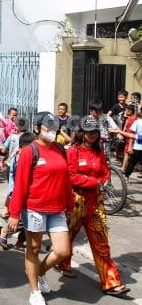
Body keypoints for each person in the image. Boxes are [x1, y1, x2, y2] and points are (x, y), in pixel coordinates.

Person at [54, 115, 130, 296]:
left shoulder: (99, 152)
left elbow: (105, 173)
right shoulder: (73, 151)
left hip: (96, 203)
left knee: (102, 243)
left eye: (95, 131)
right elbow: (70, 176)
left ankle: (111, 282)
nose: (93, 135)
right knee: (69, 236)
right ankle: (63, 263)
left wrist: (99, 183)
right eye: (89, 132)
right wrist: (91, 182)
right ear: (82, 133)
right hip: (75, 202)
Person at [7, 112, 73, 305]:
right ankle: (34, 291)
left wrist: (69, 205)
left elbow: (66, 180)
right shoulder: (30, 151)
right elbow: (20, 184)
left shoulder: (60, 149)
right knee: (34, 248)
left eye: (54, 128)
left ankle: (39, 273)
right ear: (37, 128)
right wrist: (14, 213)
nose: (51, 132)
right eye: (47, 128)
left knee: (62, 251)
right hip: (34, 207)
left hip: (57, 208)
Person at [0, 131, 35, 251]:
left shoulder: (29, 156)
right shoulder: (19, 157)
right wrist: (12, 193)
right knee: (25, 219)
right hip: (19, 192)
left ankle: (19, 242)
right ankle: (6, 231)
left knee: (30, 221)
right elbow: (15, 177)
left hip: (31, 193)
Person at [0, 117, 29, 218]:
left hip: (12, 165)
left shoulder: (12, 137)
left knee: (12, 189)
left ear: (16, 127)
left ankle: (6, 209)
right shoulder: (31, 139)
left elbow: (3, 151)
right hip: (25, 166)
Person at [120, 104, 136, 174]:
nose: (125, 111)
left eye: (126, 110)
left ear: (130, 111)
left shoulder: (134, 119)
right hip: (127, 137)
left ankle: (123, 168)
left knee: (127, 153)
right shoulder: (129, 118)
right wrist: (122, 133)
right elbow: (125, 127)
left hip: (130, 138)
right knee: (126, 153)